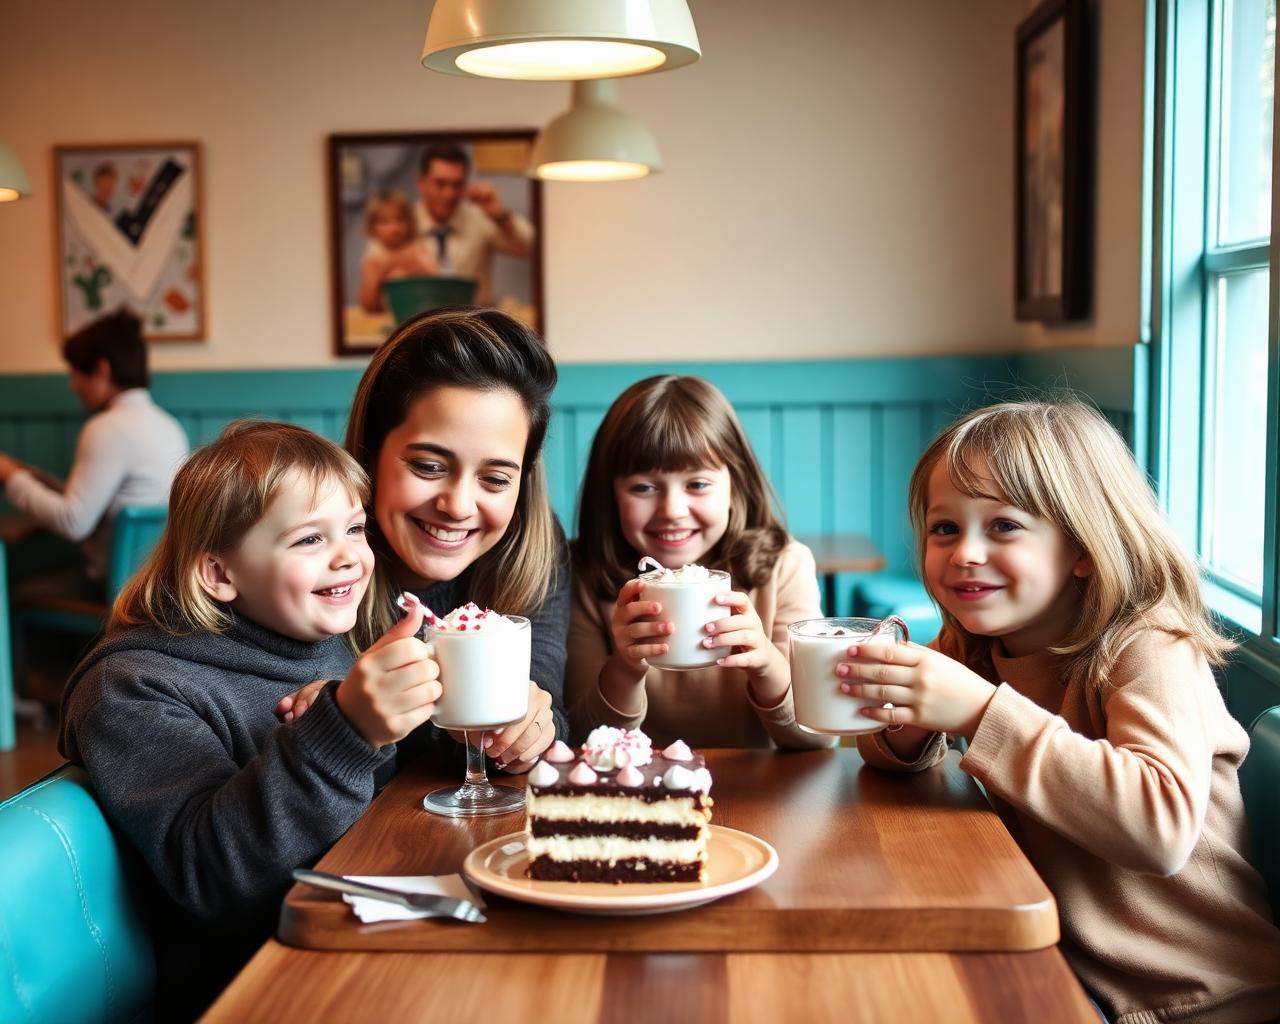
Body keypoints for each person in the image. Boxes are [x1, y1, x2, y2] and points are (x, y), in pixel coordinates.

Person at [841, 401, 1280, 1023]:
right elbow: (890, 758)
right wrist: (906, 725)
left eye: (1003, 527)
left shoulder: (1150, 647)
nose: (965, 552)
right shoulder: (978, 641)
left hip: (1196, 1001)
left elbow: (1160, 830)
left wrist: (979, 710)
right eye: (945, 528)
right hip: (1068, 974)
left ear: (1082, 546)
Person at [58, 421, 441, 1021]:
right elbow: (211, 873)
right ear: (221, 575)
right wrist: (343, 734)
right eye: (309, 539)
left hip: (360, 943)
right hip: (256, 989)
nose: (350, 557)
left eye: (355, 527)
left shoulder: (314, 636)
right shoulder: (133, 688)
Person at [282, 307, 566, 770]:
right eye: (429, 467)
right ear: (370, 454)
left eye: (495, 479)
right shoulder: (310, 561)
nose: (457, 505)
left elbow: (545, 693)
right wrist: (340, 721)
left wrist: (533, 728)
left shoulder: (532, 546)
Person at [567, 375, 830, 750]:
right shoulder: (584, 575)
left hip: (760, 796)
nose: (672, 510)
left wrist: (766, 664)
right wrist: (625, 668)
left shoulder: (783, 567)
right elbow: (580, 737)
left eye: (698, 484)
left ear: (735, 486)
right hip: (637, 797)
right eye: (643, 487)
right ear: (610, 495)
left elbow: (818, 738)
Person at [0, 307, 189, 596]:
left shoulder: (106, 428)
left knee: (22, 594)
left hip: (114, 587)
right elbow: (98, 503)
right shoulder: (169, 426)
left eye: (76, 373)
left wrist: (11, 477)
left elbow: (73, 522)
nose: (73, 385)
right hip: (160, 584)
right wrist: (33, 476)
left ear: (102, 369)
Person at [413, 142, 533, 306]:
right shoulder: (401, 222)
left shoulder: (479, 218)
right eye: (440, 184)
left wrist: (500, 217)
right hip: (418, 325)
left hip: (473, 325)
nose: (449, 194)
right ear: (422, 182)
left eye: (457, 185)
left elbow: (530, 246)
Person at [358, 188, 439, 314]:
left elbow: (436, 285)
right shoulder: (374, 256)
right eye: (384, 222)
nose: (394, 228)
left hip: (419, 314)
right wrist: (383, 270)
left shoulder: (418, 247)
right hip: (383, 316)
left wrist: (413, 266)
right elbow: (367, 304)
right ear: (372, 227)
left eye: (400, 220)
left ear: (410, 222)